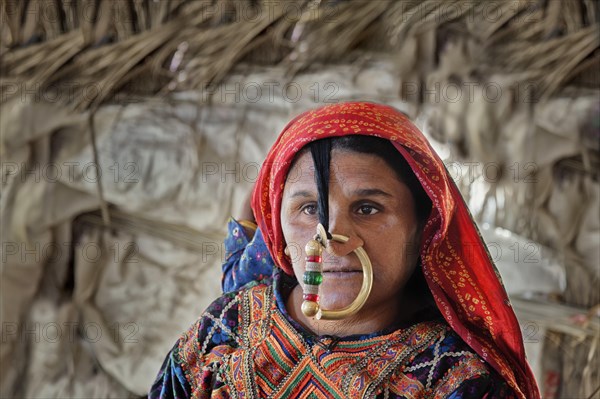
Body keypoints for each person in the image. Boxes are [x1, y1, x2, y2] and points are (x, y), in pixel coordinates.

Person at [150, 102, 540, 398]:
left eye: (368, 208)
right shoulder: (226, 325)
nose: (331, 236)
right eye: (309, 209)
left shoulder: (454, 378)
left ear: (425, 226)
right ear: (277, 225)